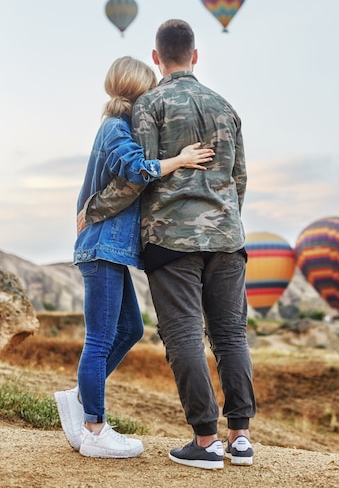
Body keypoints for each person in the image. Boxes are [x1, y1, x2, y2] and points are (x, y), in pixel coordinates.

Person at [80, 20, 256, 470]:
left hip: (172, 241)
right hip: (227, 238)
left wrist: (93, 209)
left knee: (183, 338)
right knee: (231, 336)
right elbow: (239, 181)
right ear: (195, 55)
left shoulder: (148, 105)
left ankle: (205, 441)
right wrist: (224, 220)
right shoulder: (226, 107)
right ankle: (240, 438)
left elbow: (135, 178)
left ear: (157, 58)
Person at [54, 55, 214, 459]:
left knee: (130, 330)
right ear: (139, 90)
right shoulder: (114, 128)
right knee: (102, 337)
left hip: (109, 249)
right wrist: (181, 159)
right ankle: (94, 427)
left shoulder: (118, 126)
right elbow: (137, 169)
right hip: (101, 248)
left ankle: (79, 397)